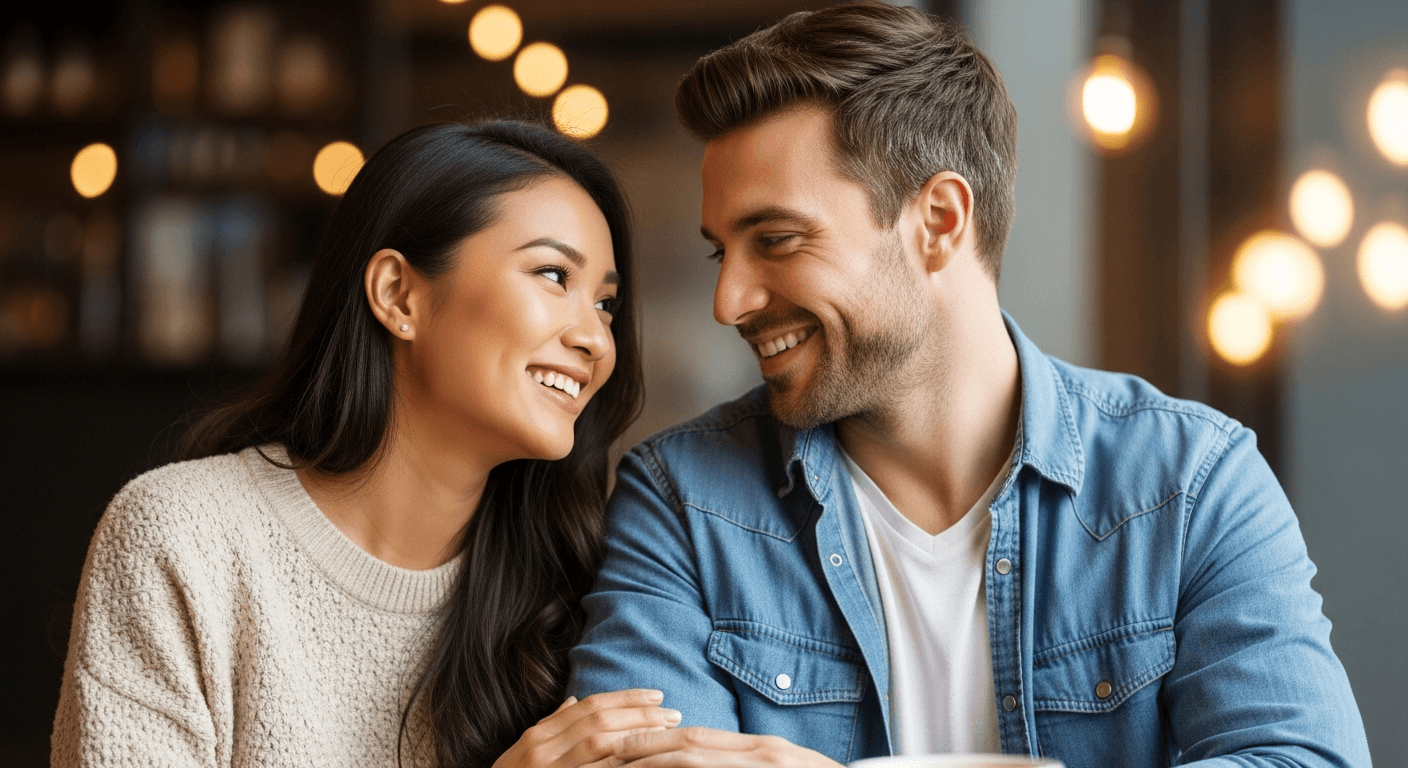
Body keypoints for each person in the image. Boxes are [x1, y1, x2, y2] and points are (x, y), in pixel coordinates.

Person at [567, 4, 1372, 767]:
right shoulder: (682, 501)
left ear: (941, 220)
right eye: (721, 253)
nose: (729, 300)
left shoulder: (1189, 483)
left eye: (776, 240)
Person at [52, 120, 684, 767]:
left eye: (606, 304)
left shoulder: (579, 582)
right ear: (397, 293)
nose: (596, 340)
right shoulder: (182, 538)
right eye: (553, 275)